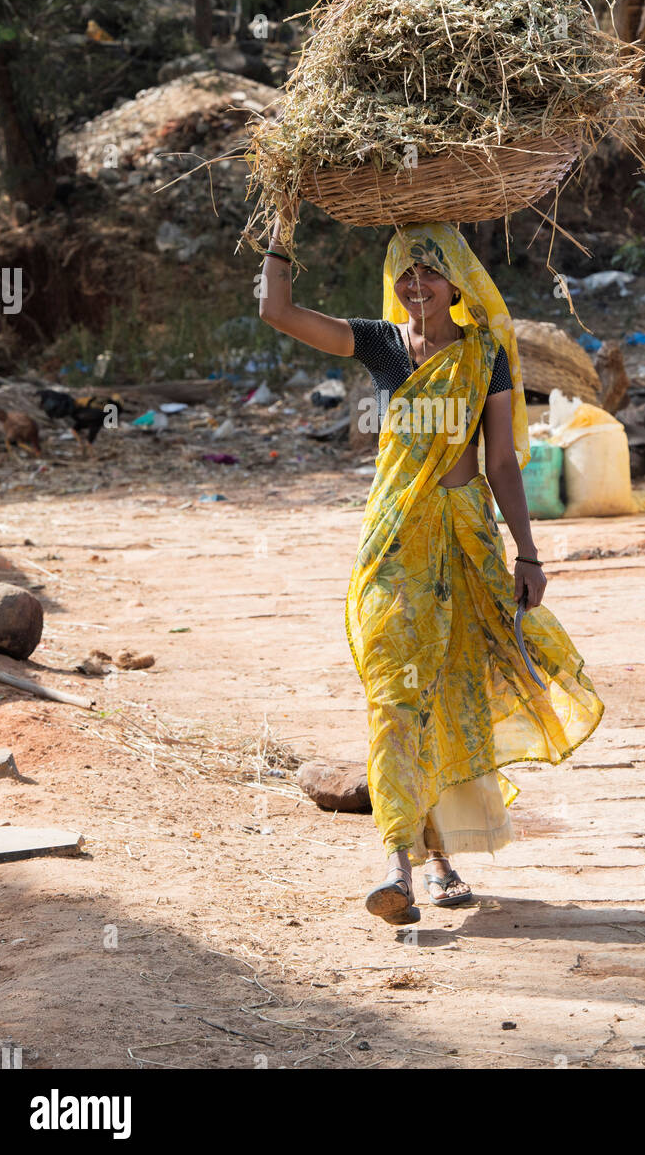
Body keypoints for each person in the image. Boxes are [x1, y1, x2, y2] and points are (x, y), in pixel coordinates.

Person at [259, 218, 604, 926]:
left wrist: (528, 554)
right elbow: (278, 312)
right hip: (395, 542)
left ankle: (440, 853)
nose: (414, 285)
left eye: (428, 272)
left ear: (456, 283)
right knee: (393, 690)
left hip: (465, 541)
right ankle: (395, 860)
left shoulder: (486, 356)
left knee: (453, 691)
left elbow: (503, 462)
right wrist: (279, 236)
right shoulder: (382, 345)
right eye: (404, 273)